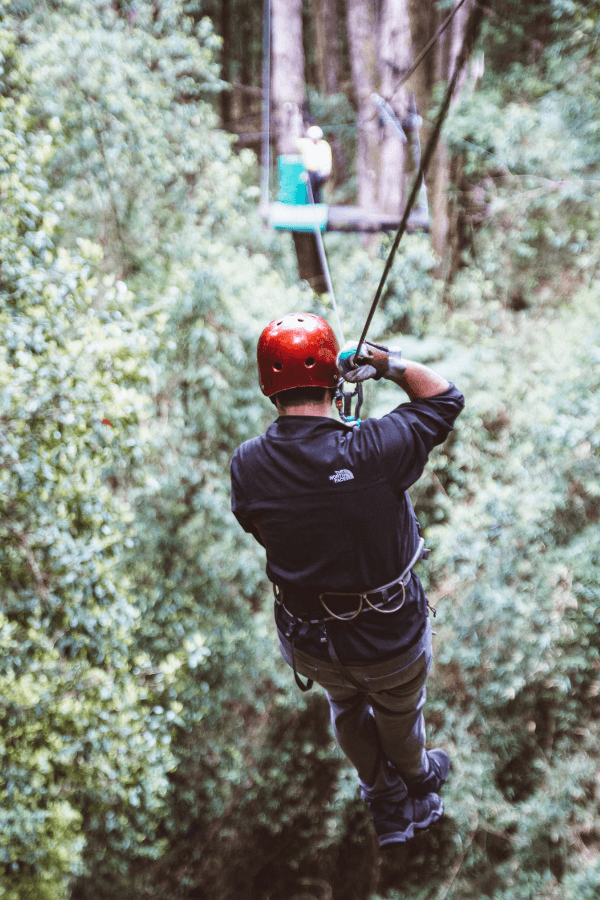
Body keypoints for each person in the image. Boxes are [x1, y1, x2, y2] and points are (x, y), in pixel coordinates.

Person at [230, 312, 464, 847]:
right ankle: (418, 779)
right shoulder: (376, 449)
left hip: (308, 638)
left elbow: (260, 526)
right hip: (387, 637)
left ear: (268, 386)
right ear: (335, 377)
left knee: (344, 703)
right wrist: (385, 364)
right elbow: (445, 398)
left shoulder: (247, 464)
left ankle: (381, 797)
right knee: (398, 711)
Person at [297, 125, 332, 204]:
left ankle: (317, 206)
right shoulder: (306, 143)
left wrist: (326, 171)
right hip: (309, 172)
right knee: (310, 190)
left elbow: (328, 160)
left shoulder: (324, 145)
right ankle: (311, 206)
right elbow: (295, 143)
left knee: (317, 191)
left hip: (320, 172)